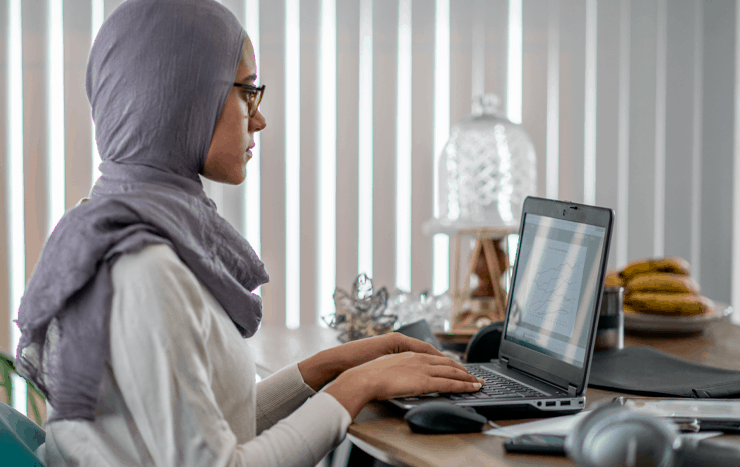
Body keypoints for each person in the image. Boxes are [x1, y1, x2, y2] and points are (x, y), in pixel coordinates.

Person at [14, 1, 482, 466]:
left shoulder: (101, 226)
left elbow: (214, 426)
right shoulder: (145, 268)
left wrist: (329, 367)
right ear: (184, 96)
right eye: (246, 92)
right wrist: (360, 386)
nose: (258, 118)